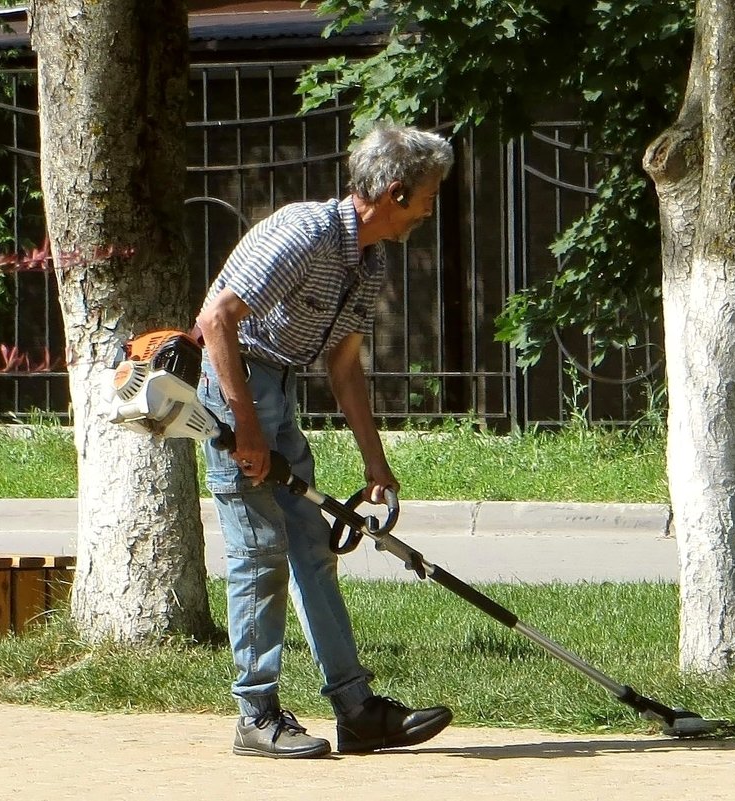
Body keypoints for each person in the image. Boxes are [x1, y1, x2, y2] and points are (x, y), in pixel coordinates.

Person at [194, 123, 455, 759]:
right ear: (395, 192)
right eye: (428, 195)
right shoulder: (304, 232)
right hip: (235, 388)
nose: (430, 208)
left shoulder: (368, 260)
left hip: (274, 391)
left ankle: (357, 711)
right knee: (259, 552)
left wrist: (376, 463)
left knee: (312, 546)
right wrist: (246, 427)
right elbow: (215, 320)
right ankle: (256, 716)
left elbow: (343, 366)